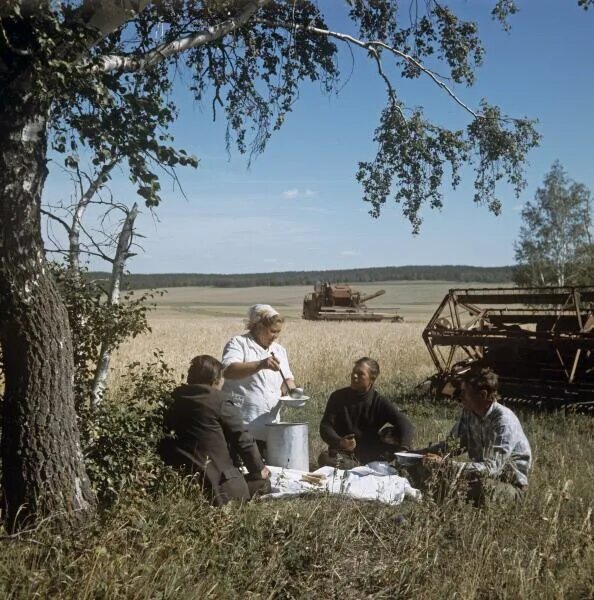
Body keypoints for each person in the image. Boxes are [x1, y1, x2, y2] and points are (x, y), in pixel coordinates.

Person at [160, 355, 271, 506]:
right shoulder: (219, 401)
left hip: (181, 481)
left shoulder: (172, 399)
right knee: (263, 483)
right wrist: (259, 469)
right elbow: (243, 439)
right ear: (215, 380)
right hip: (219, 487)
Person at [416, 362, 532, 507]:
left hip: (508, 486)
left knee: (477, 487)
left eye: (464, 393)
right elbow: (452, 445)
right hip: (479, 478)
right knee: (427, 472)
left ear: (482, 395)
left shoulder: (503, 421)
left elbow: (492, 468)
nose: (460, 397)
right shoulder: (469, 413)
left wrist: (446, 464)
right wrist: (419, 454)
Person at [222, 304, 297, 449]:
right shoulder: (239, 343)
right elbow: (228, 370)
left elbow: (288, 379)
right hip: (243, 427)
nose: (276, 336)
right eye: (272, 331)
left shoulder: (279, 350)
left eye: (278, 332)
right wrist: (260, 365)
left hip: (272, 427)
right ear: (258, 326)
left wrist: (292, 390)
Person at [318, 357, 415, 469]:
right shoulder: (338, 397)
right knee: (324, 458)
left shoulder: (378, 401)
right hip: (344, 453)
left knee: (396, 433)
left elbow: (405, 424)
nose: (354, 376)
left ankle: (384, 466)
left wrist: (403, 449)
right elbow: (325, 426)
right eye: (354, 372)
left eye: (360, 374)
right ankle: (357, 467)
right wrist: (340, 442)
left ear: (372, 379)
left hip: (372, 452)